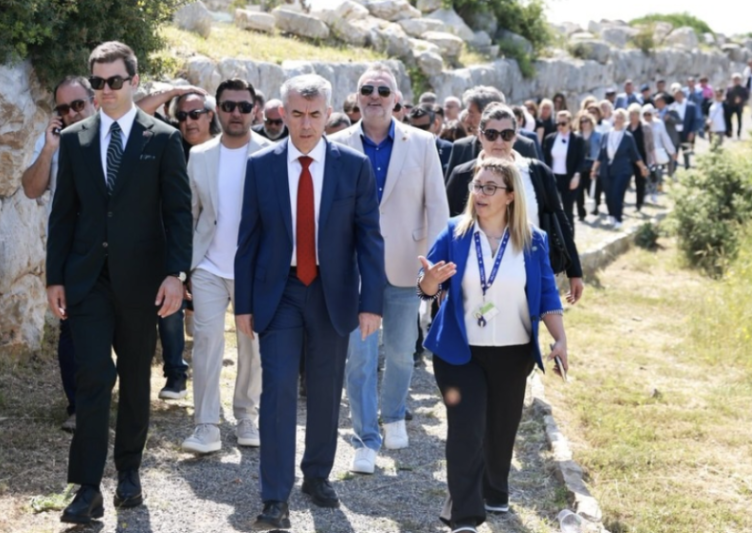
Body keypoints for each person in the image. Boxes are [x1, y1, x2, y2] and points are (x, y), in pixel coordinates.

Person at [47, 41, 192, 524]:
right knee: (93, 376)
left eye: (114, 81)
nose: (105, 89)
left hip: (142, 281)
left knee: (134, 378)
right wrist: (54, 277)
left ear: (134, 81)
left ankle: (129, 472)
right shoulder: (75, 139)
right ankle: (87, 487)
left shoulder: (163, 139)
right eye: (98, 82)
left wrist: (176, 275)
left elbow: (178, 214)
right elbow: (63, 214)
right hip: (87, 280)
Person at [235, 74, 386, 530]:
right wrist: (243, 305)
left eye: (315, 115)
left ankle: (317, 475)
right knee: (278, 388)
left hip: (331, 291)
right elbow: (248, 239)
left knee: (325, 388)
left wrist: (371, 302)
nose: (305, 125)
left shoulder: (353, 166)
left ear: (328, 114)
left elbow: (369, 238)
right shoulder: (261, 165)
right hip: (279, 292)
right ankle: (274, 498)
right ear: (282, 113)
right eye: (297, 115)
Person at [419, 157, 567, 532]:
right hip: (460, 353)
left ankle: (495, 489)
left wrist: (560, 337)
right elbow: (426, 283)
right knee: (466, 430)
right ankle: (464, 517)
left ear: (510, 196)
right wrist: (430, 281)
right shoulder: (454, 233)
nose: (480, 194)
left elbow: (547, 293)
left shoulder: (533, 240)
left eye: (490, 187)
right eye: (477, 186)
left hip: (513, 353)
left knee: (501, 428)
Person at [329, 65, 448, 474]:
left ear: (396, 99)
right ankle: (365, 438)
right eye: (367, 89)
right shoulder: (336, 143)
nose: (375, 96)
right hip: (353, 268)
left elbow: (437, 205)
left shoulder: (423, 143)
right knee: (359, 358)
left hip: (406, 263)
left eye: (383, 90)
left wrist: (436, 265)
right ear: (357, 96)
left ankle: (394, 413)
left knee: (400, 351)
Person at [182, 79, 270, 454]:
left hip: (254, 269)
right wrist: (183, 269)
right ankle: (206, 425)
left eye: (244, 106)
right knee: (206, 342)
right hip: (208, 266)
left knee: (253, 346)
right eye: (229, 106)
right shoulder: (200, 155)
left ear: (255, 110)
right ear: (216, 110)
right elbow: (190, 215)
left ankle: (247, 415)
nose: (236, 113)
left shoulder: (271, 153)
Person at [445, 104, 584, 304]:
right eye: (491, 134)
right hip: (474, 279)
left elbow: (559, 219)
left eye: (506, 135)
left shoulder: (537, 172)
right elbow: (447, 226)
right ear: (480, 136)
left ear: (515, 137)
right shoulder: (462, 175)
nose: (499, 141)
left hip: (527, 275)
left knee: (525, 324)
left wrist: (575, 271)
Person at [21, 75, 97, 433]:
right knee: (72, 330)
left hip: (112, 250)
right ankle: (79, 406)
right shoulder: (54, 142)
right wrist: (49, 149)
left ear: (94, 101)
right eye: (64, 108)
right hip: (69, 252)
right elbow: (30, 189)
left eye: (78, 104)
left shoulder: (116, 136)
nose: (72, 113)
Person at [446, 87, 540, 175]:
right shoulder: (460, 148)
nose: (467, 120)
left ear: (488, 113)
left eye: (471, 114)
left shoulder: (525, 147)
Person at [591, 108, 649, 230]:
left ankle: (618, 218)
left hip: (622, 169)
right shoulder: (606, 135)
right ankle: (611, 214)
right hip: (606, 169)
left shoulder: (628, 136)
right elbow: (600, 154)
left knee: (617, 193)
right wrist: (594, 169)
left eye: (621, 118)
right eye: (616, 117)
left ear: (624, 120)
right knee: (608, 194)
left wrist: (642, 167)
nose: (618, 120)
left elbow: (635, 154)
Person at [542, 110, 584, 232]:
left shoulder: (577, 139)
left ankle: (569, 236)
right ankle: (556, 235)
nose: (560, 126)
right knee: (552, 208)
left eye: (563, 123)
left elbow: (581, 160)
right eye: (558, 123)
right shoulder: (550, 138)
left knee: (568, 210)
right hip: (554, 178)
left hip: (569, 178)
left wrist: (577, 176)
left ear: (570, 123)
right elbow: (546, 159)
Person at [641, 105, 676, 204]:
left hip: (656, 152)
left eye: (649, 114)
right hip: (645, 153)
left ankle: (654, 192)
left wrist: (672, 151)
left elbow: (665, 137)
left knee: (656, 173)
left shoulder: (659, 123)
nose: (647, 116)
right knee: (646, 174)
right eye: (645, 114)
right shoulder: (641, 124)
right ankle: (646, 193)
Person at [171, 91, 220, 160]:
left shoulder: (226, 149)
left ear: (210, 116)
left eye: (195, 114)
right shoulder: (174, 150)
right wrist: (175, 90)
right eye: (182, 115)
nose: (188, 122)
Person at [406, 105, 453, 177]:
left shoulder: (449, 149)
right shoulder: (402, 149)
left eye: (424, 127)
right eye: (414, 128)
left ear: (436, 124)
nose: (419, 131)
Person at [627, 104, 654, 213]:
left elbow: (650, 145)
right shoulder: (626, 127)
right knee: (624, 180)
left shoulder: (645, 127)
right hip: (628, 159)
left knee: (640, 181)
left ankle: (639, 203)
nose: (631, 116)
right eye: (630, 114)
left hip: (642, 158)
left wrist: (653, 159)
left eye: (633, 114)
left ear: (638, 115)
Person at [574, 112, 602, 220]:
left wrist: (597, 166)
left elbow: (601, 151)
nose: (584, 123)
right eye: (582, 121)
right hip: (580, 164)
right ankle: (581, 212)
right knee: (579, 190)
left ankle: (595, 207)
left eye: (586, 121)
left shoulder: (598, 135)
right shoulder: (576, 135)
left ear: (591, 122)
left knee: (593, 188)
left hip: (593, 164)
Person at [724, 74, 748, 140]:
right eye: (734, 79)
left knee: (739, 120)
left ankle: (738, 133)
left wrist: (741, 99)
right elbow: (727, 97)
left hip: (739, 107)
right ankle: (730, 133)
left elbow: (746, 97)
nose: (736, 81)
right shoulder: (729, 88)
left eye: (737, 79)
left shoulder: (743, 88)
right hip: (731, 106)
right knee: (729, 119)